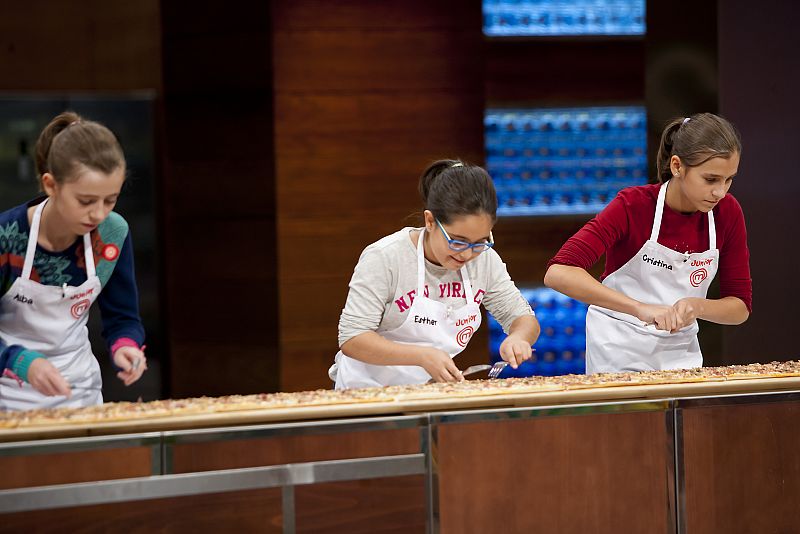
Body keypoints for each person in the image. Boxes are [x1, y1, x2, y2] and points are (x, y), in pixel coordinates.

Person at [544, 113, 751, 373]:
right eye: (710, 179)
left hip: (680, 356)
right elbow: (559, 273)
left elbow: (740, 307)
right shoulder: (633, 206)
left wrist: (695, 306)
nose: (720, 192)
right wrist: (639, 308)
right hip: (617, 352)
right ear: (677, 166)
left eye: (729, 179)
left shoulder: (728, 213)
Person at [330, 159, 540, 389]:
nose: (468, 254)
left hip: (426, 392)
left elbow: (522, 317)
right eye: (458, 242)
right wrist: (422, 356)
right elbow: (352, 338)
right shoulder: (385, 257)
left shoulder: (485, 260)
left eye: (480, 242)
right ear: (430, 221)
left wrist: (519, 338)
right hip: (365, 391)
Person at [0, 111, 147, 410]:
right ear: (51, 185)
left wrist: (126, 346)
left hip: (79, 393)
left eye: (110, 199)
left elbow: (123, 317)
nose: (99, 214)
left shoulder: (112, 233)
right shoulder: (6, 236)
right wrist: (21, 361)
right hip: (8, 397)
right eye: (86, 201)